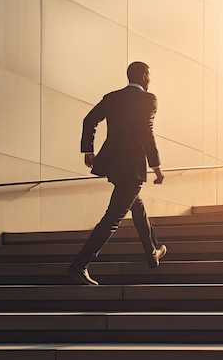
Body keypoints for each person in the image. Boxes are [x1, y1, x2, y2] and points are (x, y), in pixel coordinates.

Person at [67, 61, 167, 286]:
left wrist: (88, 150)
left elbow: (89, 120)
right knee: (113, 218)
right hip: (132, 167)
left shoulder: (112, 97)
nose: (149, 79)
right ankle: (79, 265)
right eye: (149, 75)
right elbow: (146, 133)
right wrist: (157, 167)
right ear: (143, 76)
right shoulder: (148, 100)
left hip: (112, 164)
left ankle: (151, 251)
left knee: (135, 202)